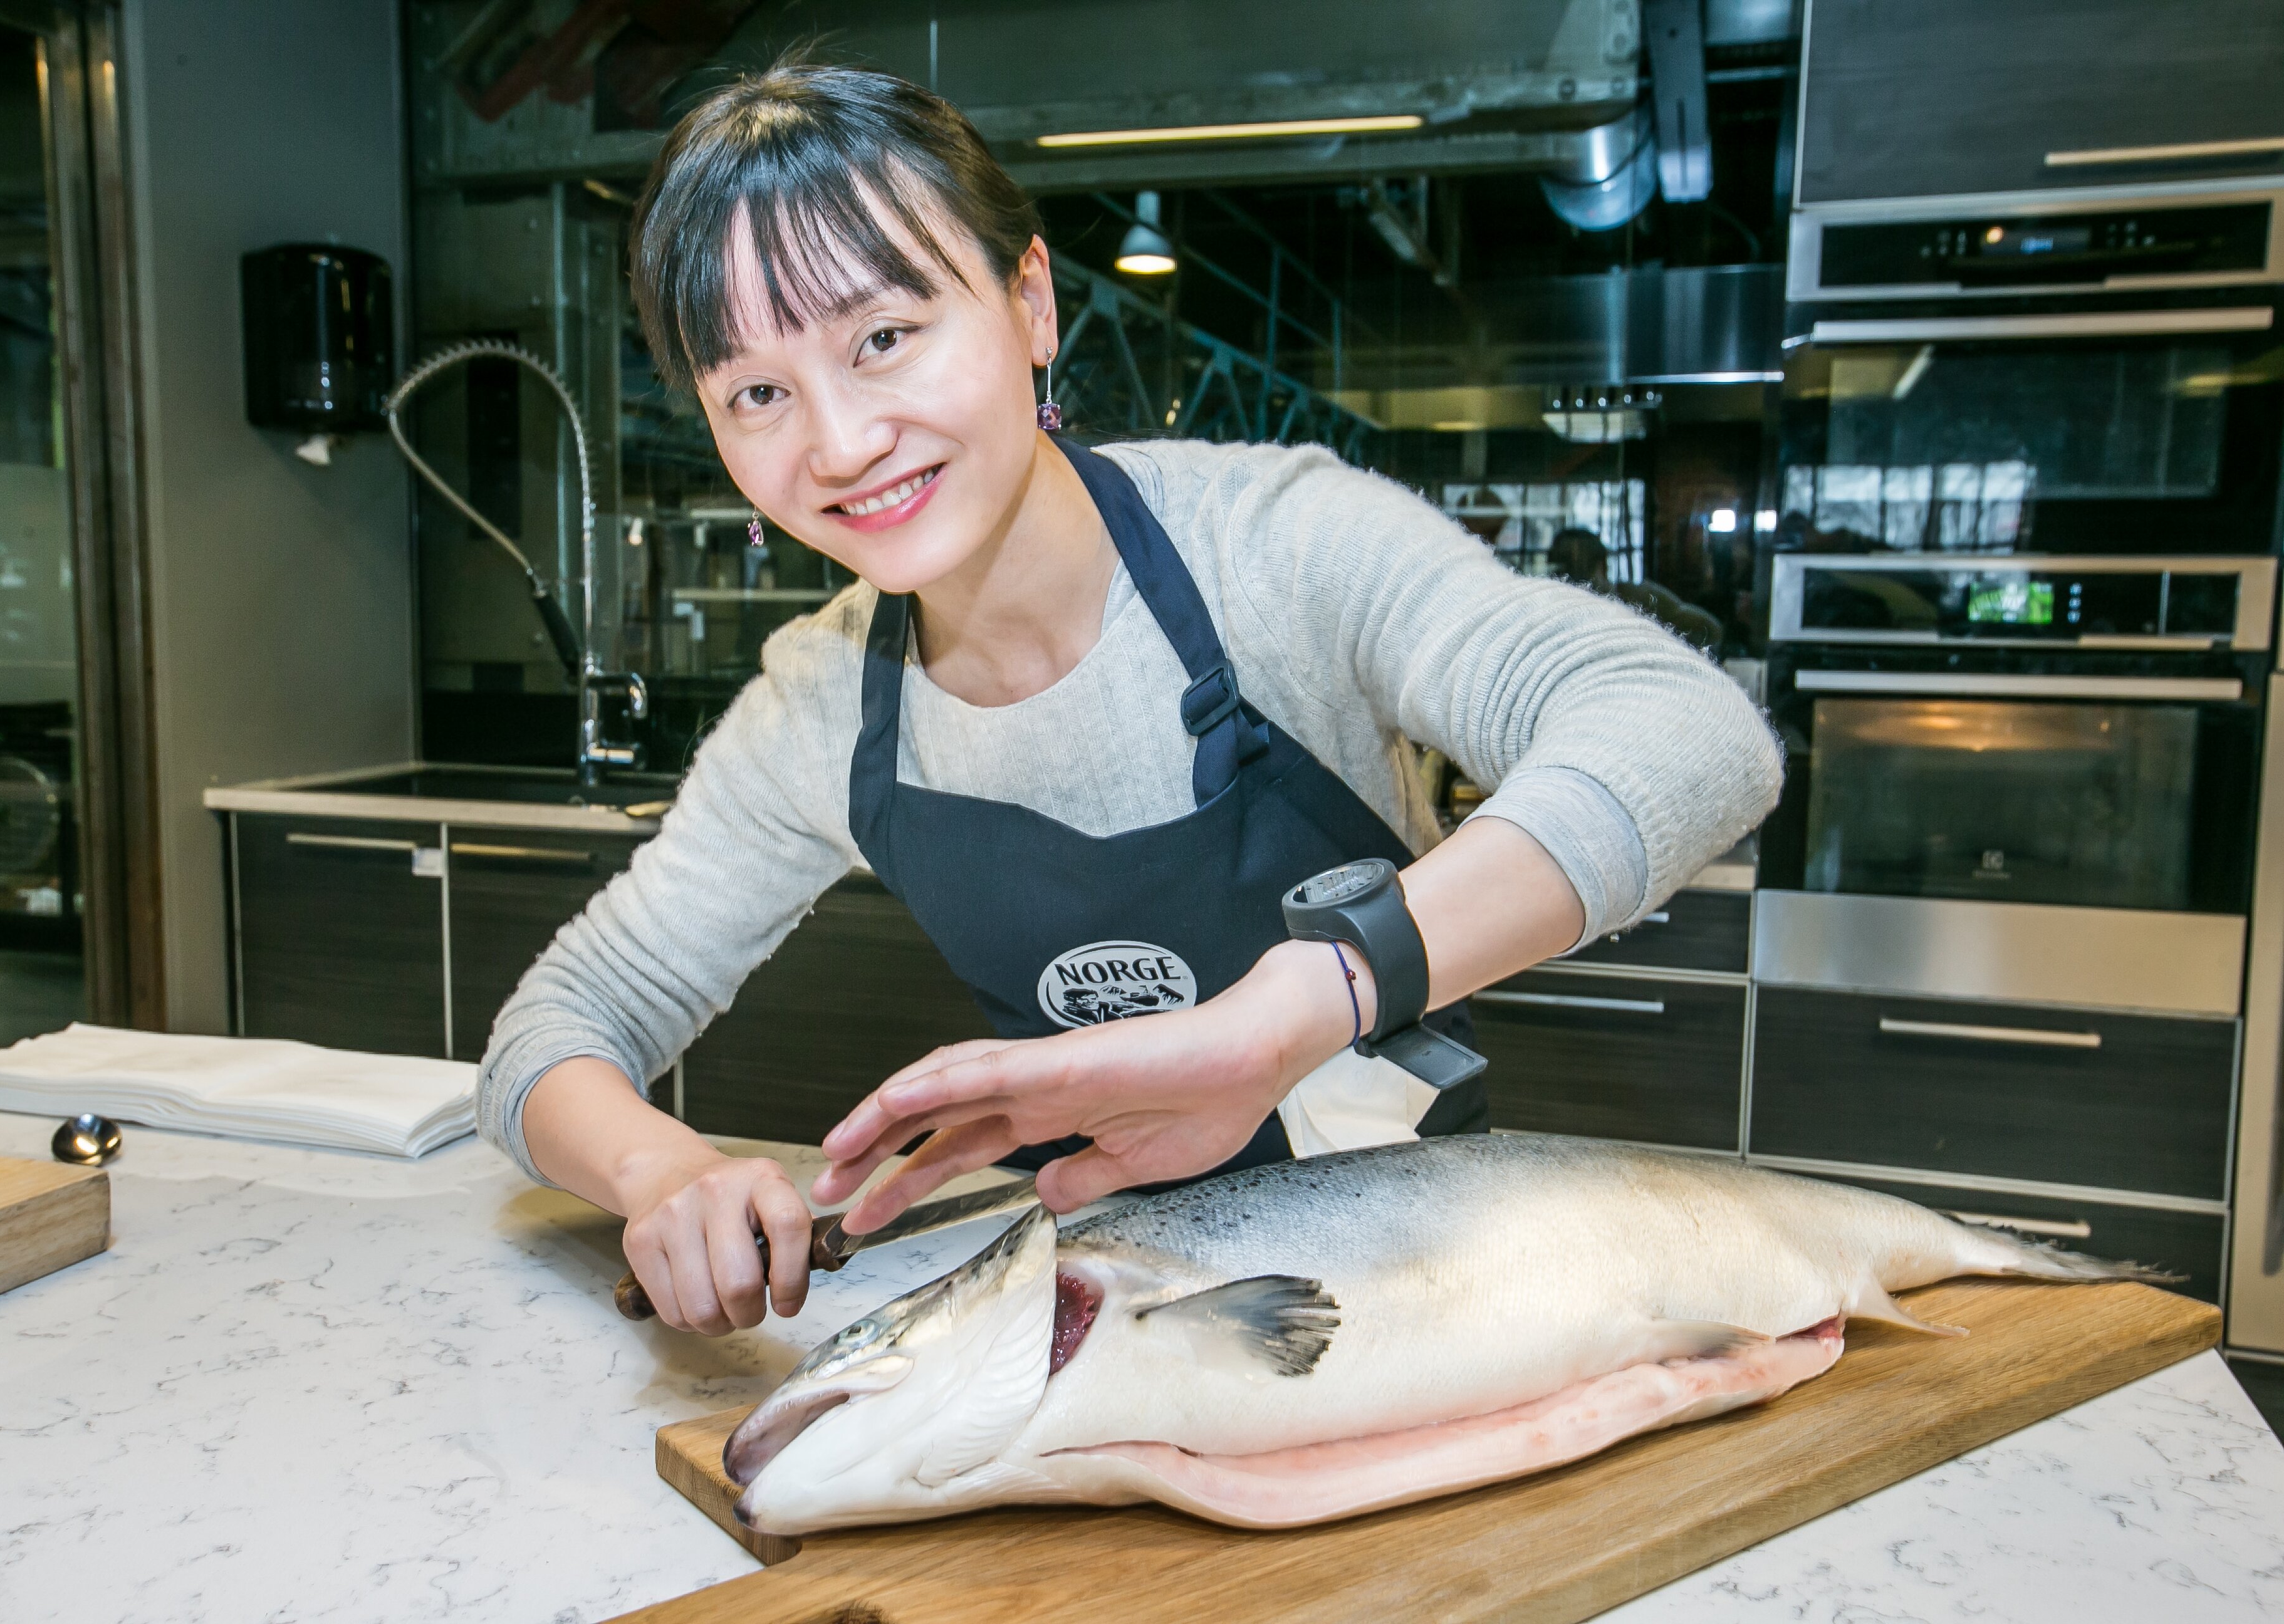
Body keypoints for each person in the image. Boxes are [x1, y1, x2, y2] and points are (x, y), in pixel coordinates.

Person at [477, 63, 1782, 1336]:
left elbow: (1687, 727)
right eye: (758, 394)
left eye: (884, 338)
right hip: (1119, 1306)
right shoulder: (822, 702)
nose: (838, 443)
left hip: (1426, 1287)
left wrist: (1287, 1014)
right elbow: (560, 1023)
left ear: (1029, 302)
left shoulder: (1272, 548)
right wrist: (664, 1176)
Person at [1545, 526, 1724, 651]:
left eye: (1579, 565)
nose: (1574, 575)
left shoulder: (1637, 597)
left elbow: (1709, 629)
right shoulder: (1550, 606)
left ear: (1602, 565)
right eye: (1567, 566)